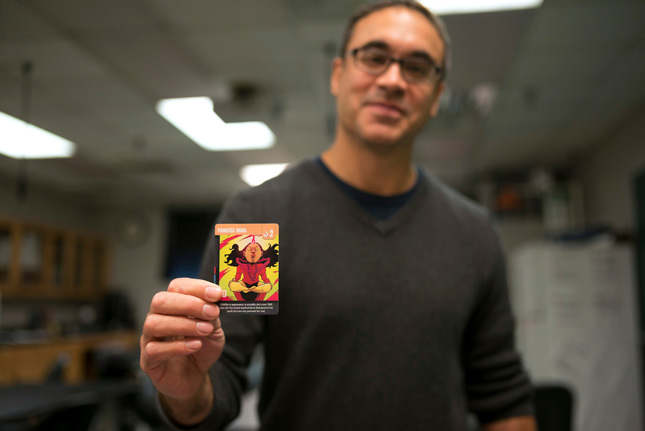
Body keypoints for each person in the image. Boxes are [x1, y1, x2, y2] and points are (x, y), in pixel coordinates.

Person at [140, 1, 537, 430]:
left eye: (418, 67)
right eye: (374, 57)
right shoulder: (260, 220)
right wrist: (185, 391)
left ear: (437, 96)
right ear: (337, 74)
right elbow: (221, 374)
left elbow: (503, 395)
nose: (392, 80)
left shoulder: (472, 232)